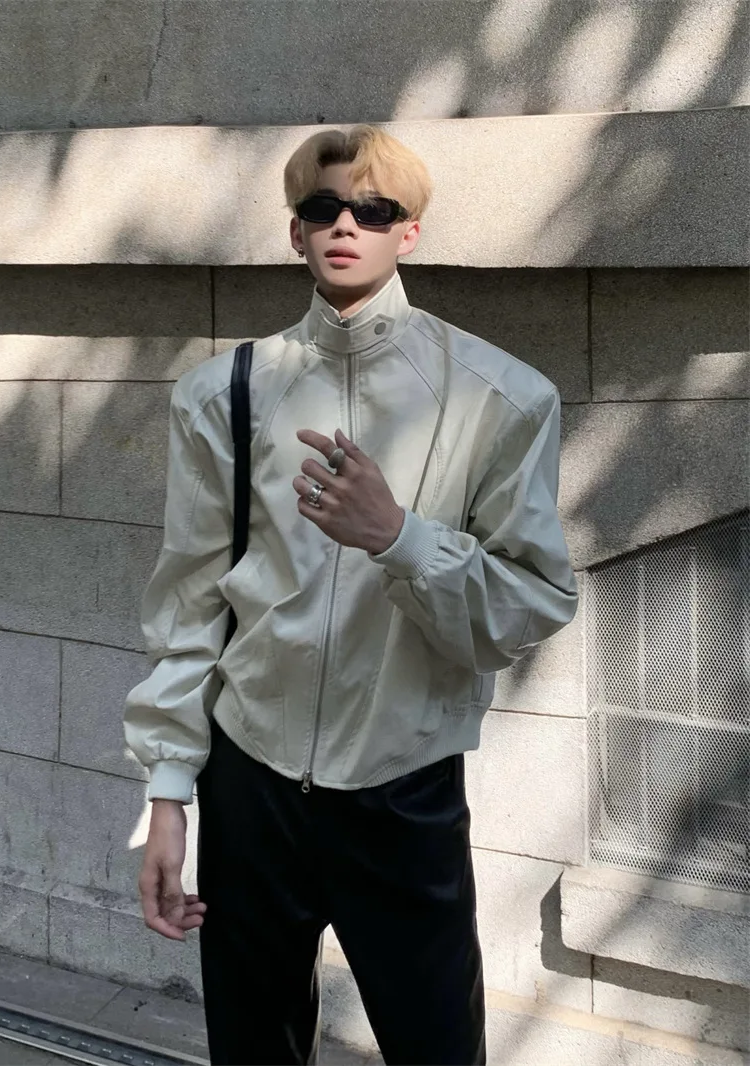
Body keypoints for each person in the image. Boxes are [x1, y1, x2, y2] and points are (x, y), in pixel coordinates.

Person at [124, 124, 578, 1066]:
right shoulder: (223, 393)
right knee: (250, 1046)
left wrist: (400, 538)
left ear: (409, 231)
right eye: (323, 206)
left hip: (401, 789)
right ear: (294, 230)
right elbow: (192, 605)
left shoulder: (501, 396)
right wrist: (168, 792)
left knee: (436, 1045)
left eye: (373, 210)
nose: (345, 224)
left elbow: (528, 605)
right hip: (250, 783)